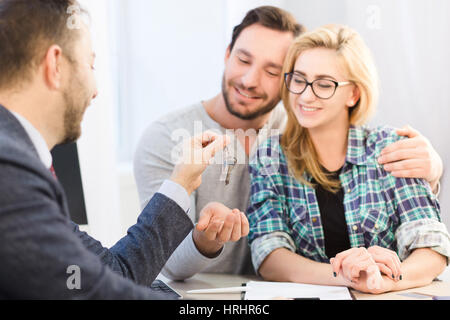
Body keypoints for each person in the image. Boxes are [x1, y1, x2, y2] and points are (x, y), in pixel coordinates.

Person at [134, 6, 444, 281]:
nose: (250, 80)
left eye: (273, 71)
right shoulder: (166, 139)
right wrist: (205, 237)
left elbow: (427, 238)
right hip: (211, 292)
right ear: (227, 54)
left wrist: (433, 172)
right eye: (243, 59)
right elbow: (168, 261)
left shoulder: (303, 123)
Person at [0, 0, 229, 299]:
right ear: (55, 65)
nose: (95, 90)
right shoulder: (11, 170)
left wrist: (182, 181)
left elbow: (112, 273)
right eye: (90, 65)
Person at [247, 24, 450, 294]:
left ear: (353, 94)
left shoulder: (391, 147)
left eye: (323, 84)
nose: (306, 95)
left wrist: (384, 281)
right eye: (298, 79)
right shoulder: (269, 156)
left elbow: (431, 246)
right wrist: (346, 275)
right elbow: (269, 255)